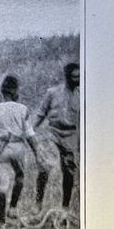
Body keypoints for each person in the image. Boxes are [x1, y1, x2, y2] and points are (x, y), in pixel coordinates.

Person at [0, 76, 41, 226]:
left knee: (2, 185)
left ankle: (1, 222)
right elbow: (30, 134)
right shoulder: (22, 109)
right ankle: (12, 208)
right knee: (20, 176)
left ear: (3, 91)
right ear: (14, 91)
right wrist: (37, 152)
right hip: (17, 147)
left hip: (1, 148)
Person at [33, 62, 80, 210]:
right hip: (53, 133)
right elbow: (41, 113)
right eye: (75, 77)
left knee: (69, 171)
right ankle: (38, 203)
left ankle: (65, 207)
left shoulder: (81, 94)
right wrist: (31, 129)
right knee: (45, 166)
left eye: (79, 76)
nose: (78, 79)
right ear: (67, 77)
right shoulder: (52, 92)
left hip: (70, 136)